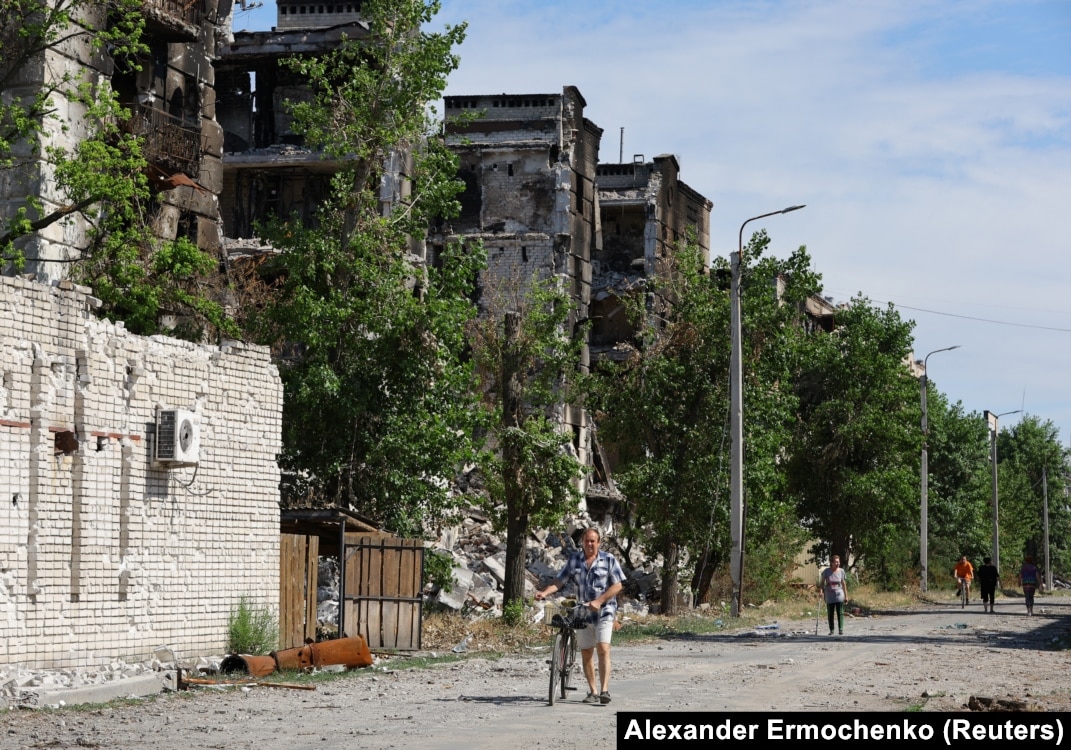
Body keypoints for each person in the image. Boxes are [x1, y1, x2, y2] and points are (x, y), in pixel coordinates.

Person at [535, 527, 624, 706]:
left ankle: (604, 690)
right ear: (582, 542)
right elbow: (560, 580)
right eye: (587, 541)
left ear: (599, 543)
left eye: (593, 541)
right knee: (586, 652)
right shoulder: (575, 560)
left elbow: (617, 586)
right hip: (583, 611)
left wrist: (599, 601)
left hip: (604, 610)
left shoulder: (608, 560)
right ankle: (593, 691)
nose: (590, 544)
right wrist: (545, 592)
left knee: (603, 648)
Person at [820, 555, 848, 635]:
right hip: (829, 594)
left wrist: (846, 596)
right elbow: (822, 583)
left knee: (840, 612)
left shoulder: (841, 571)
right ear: (831, 563)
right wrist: (821, 591)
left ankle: (841, 629)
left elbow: (843, 584)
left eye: (838, 562)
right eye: (836, 562)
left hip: (839, 594)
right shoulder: (826, 571)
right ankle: (831, 630)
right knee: (830, 613)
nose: (837, 563)